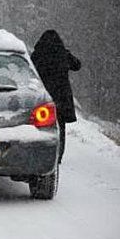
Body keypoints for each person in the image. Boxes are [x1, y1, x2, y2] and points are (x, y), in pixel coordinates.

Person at [31, 30, 81, 164]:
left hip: (44, 95)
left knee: (42, 126)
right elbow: (77, 65)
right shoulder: (63, 54)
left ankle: (42, 153)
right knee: (60, 126)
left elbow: (30, 69)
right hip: (61, 96)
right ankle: (58, 156)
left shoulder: (38, 55)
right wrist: (67, 53)